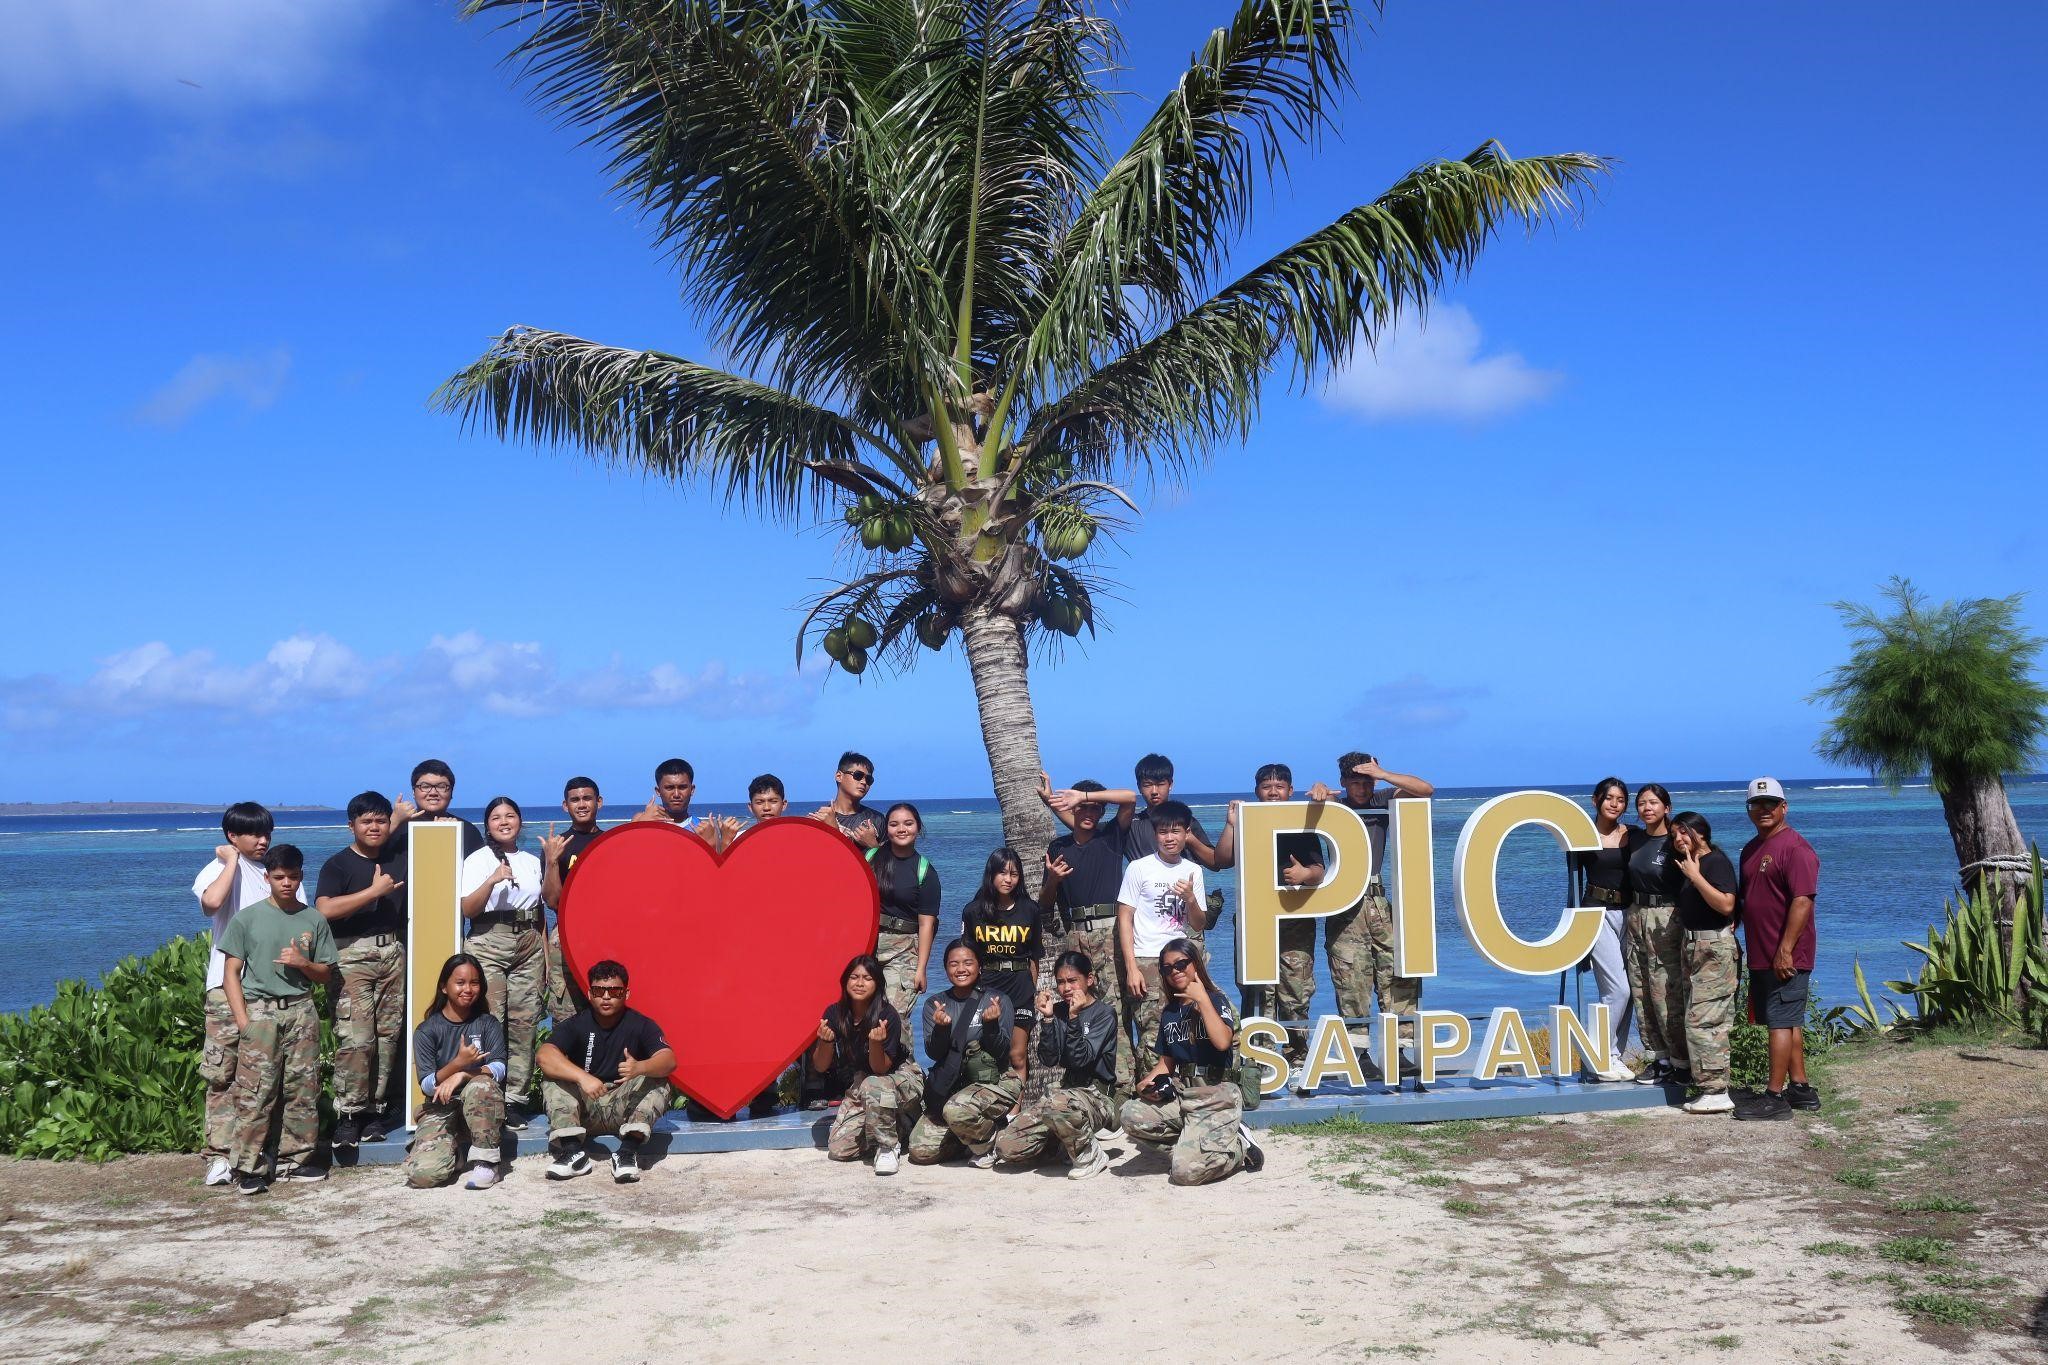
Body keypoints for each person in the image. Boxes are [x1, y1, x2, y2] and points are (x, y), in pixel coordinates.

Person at [217, 845, 336, 1194]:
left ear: (301, 877)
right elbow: (230, 974)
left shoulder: (313, 919)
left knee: (303, 1089)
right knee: (256, 1093)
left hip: (301, 1009)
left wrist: (303, 964)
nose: (286, 883)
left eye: (293, 877)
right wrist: (244, 1023)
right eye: (279, 877)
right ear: (267, 878)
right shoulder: (247, 918)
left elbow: (326, 973)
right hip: (261, 1010)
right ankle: (248, 1166)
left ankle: (293, 1161)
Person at [1304, 751, 1434, 1071]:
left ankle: (1400, 1050)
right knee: (1351, 977)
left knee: (1396, 972)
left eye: (1367, 781)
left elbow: (1425, 789)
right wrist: (1319, 790)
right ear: (1344, 783)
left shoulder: (1384, 797)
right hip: (1344, 900)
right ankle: (1359, 1054)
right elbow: (1309, 805)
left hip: (1377, 898)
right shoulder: (1338, 807)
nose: (1362, 789)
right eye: (1355, 782)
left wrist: (1384, 773)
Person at [1119, 938, 1263, 1186]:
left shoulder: (1216, 1000)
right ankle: (1192, 1147)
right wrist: (1144, 1085)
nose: (1174, 971)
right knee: (1130, 1114)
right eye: (1166, 968)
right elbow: (1167, 1063)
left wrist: (1202, 1000)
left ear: (1195, 964)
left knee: (1185, 1174)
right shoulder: (1170, 1012)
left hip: (1217, 1095)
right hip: (1184, 1096)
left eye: (1181, 964)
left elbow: (1222, 1042)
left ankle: (1240, 1146)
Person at [314, 792, 409, 1149]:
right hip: (350, 956)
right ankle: (349, 1115)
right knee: (356, 1039)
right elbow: (324, 909)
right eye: (366, 821)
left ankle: (374, 1111)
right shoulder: (337, 865)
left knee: (387, 1038)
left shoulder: (397, 856)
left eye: (381, 820)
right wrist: (373, 892)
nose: (374, 827)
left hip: (392, 954)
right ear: (351, 825)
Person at [191, 801, 274, 1186]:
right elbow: (211, 904)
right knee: (222, 1072)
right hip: (225, 987)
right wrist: (230, 864)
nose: (262, 840)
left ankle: (255, 1151)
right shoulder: (219, 869)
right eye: (254, 833)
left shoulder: (275, 873)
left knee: (263, 1073)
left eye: (266, 833)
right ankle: (220, 1154)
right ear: (232, 836)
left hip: (269, 986)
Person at [535, 959, 677, 1183]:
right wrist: (583, 1077)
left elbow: (668, 1060)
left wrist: (640, 1067)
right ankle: (573, 1153)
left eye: (615, 990)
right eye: (599, 990)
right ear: (590, 994)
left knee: (659, 1080)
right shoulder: (576, 1024)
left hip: (624, 1108)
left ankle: (627, 1153)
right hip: (587, 1107)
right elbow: (544, 1055)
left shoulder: (641, 1025)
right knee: (553, 1078)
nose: (607, 996)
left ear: (626, 994)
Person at [1039, 778, 1136, 1095]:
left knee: (1115, 1007)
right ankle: (1085, 1075)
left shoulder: (1110, 837)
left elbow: (1129, 797)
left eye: (1096, 807)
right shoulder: (1059, 847)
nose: (1089, 811)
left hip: (1110, 933)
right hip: (1075, 935)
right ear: (1071, 808)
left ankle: (1122, 1083)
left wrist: (1084, 795)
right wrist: (1053, 880)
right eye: (1083, 806)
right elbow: (1045, 902)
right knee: (1076, 1005)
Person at [1734, 778, 1821, 1121]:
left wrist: (1785, 949)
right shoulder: (1751, 849)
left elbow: (1802, 901)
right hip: (1761, 952)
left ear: (1784, 807)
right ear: (1749, 810)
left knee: (1780, 1024)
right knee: (1786, 1020)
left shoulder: (1796, 848)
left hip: (1786, 955)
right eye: (1756, 804)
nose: (1763, 809)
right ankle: (1799, 1088)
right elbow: (1750, 898)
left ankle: (1774, 1099)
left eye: (1770, 803)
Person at [993, 951, 1119, 1177]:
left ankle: (1091, 1154)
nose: (1067, 988)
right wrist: (1049, 1019)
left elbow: (1081, 1059)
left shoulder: (1104, 1014)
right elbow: (1049, 1059)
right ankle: (1061, 1144)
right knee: (1006, 1146)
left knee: (1058, 1102)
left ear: (1089, 980)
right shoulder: (1059, 1011)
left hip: (1097, 1096)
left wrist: (1073, 1019)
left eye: (1073, 981)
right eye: (1061, 982)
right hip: (1064, 1096)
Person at [1115, 801, 1215, 1080]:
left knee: (1186, 1025)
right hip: (1147, 958)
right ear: (1154, 834)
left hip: (1182, 961)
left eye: (1176, 832)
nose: (1169, 838)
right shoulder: (1138, 868)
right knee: (1150, 1030)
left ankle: (1184, 1087)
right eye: (1163, 832)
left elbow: (1198, 923)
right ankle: (1151, 1092)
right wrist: (1131, 967)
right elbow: (1125, 918)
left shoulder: (1194, 871)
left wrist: (1191, 899)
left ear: (1186, 833)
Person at [460, 797, 546, 1120]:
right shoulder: (477, 860)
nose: (504, 821)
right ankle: (489, 1093)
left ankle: (516, 1098)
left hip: (528, 942)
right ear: (488, 825)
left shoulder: (531, 861)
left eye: (510, 815)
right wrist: (493, 879)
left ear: (520, 822)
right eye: (497, 817)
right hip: (488, 941)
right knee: (490, 1021)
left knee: (525, 1022)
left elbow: (539, 914)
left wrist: (545, 957)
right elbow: (468, 909)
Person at [908, 940, 1025, 1167]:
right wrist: (941, 1028)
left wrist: (991, 1026)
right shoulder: (935, 1003)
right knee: (920, 1152)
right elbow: (933, 1054)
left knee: (956, 1110)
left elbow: (1002, 1053)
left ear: (979, 966)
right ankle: (964, 1138)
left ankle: (987, 1141)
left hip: (994, 1082)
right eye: (954, 964)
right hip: (953, 1085)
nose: (961, 969)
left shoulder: (997, 1000)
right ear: (945, 968)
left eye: (967, 963)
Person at [1236, 764, 1327, 1047]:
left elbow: (1320, 869)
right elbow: (1222, 859)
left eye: (1279, 787)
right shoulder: (1245, 821)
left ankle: (1298, 1056)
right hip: (1255, 919)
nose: (1273, 792)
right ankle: (1259, 1057)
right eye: (1266, 786)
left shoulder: (1301, 825)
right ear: (1256, 792)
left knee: (1296, 991)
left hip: (1295, 919)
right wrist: (1231, 824)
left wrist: (1305, 875)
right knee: (1256, 990)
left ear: (1290, 791)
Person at [404, 953, 508, 1189]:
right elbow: (428, 1084)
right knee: (423, 1176)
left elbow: (499, 1068)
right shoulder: (427, 1030)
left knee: (482, 1084)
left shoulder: (487, 1023)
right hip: (441, 1107)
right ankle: (452, 1153)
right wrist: (457, 1064)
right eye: (460, 982)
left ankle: (486, 1164)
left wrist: (463, 1074)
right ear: (444, 986)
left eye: (474, 983)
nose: (468, 989)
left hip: (480, 1108)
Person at [817, 954, 923, 1175]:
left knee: (873, 1085)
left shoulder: (887, 1015)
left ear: (877, 984)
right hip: (864, 1079)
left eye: (867, 978)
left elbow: (881, 1069)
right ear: (845, 981)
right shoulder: (834, 1013)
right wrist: (824, 1041)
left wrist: (876, 1043)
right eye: (854, 977)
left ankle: (888, 1146)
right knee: (839, 1149)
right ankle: (898, 1124)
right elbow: (820, 1066)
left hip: (899, 1076)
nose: (859, 983)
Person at [1568, 777, 1642, 1082]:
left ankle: (1614, 1056)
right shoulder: (1581, 833)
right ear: (1596, 800)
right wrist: (1572, 933)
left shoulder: (1635, 836)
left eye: (1621, 799)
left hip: (1631, 914)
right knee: (1617, 989)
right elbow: (1571, 880)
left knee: (1632, 991)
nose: (1615, 804)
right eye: (1609, 798)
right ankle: (1601, 1055)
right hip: (1595, 914)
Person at [1667, 813, 1740, 1116]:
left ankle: (1716, 1090)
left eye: (1684, 832)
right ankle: (1710, 1086)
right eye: (1674, 835)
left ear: (1701, 832)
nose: (1679, 839)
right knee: (1700, 1016)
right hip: (1694, 946)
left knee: (1703, 1021)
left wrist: (1696, 877)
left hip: (1713, 949)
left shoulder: (1713, 862)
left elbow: (1726, 904)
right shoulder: (1689, 864)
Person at [1044, 752, 1227, 872]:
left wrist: (1189, 839)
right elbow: (1081, 825)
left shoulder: (1187, 821)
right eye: (1147, 785)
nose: (1154, 791)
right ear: (1139, 787)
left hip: (1183, 911)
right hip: (1145, 914)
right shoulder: (1132, 824)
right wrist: (1050, 799)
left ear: (1171, 785)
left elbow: (1214, 863)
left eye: (1161, 784)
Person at [1625, 783, 1689, 1086]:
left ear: (1667, 807)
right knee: (1641, 989)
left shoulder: (1675, 841)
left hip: (1667, 918)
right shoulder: (1633, 839)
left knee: (1667, 991)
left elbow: (1696, 878)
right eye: (1641, 803)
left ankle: (1680, 1062)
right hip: (1636, 914)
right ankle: (1658, 1059)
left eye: (1653, 803)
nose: (1647, 808)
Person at [539, 775, 604, 1025]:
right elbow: (553, 901)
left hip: (604, 935)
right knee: (567, 1017)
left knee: (606, 1008)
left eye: (587, 798)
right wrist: (553, 861)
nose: (582, 804)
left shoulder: (610, 841)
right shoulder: (557, 846)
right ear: (565, 806)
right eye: (575, 800)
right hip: (566, 936)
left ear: (599, 802)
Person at [866, 803, 940, 1018]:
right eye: (894, 824)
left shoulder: (925, 871)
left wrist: (921, 969)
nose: (901, 829)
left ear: (918, 827)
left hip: (905, 951)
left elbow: (926, 925)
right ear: (886, 829)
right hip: (868, 945)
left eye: (908, 823)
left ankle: (900, 1053)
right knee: (864, 1017)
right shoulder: (869, 858)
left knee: (893, 1018)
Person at [960, 846, 1040, 1041]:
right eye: (1002, 873)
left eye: (1014, 874)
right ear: (991, 874)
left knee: (1017, 1054)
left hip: (1020, 986)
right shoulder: (972, 911)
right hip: (986, 984)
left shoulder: (1030, 910)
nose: (1008, 879)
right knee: (985, 1045)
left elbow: (1034, 956)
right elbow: (966, 955)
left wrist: (1032, 991)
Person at [386, 758, 487, 860]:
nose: (433, 793)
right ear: (413, 792)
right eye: (425, 786)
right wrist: (394, 820)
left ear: (451, 792)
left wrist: (450, 832)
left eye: (441, 786)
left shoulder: (468, 831)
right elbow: (373, 854)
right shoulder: (397, 828)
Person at [812, 751, 884, 848]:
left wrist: (873, 845)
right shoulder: (819, 819)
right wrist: (833, 829)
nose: (863, 782)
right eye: (858, 775)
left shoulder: (877, 820)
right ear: (839, 776)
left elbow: (888, 862)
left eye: (869, 779)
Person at [632, 757, 698, 826]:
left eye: (682, 787)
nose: (676, 794)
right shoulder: (641, 820)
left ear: (692, 790)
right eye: (669, 788)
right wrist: (642, 824)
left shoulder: (703, 830)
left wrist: (709, 837)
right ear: (658, 791)